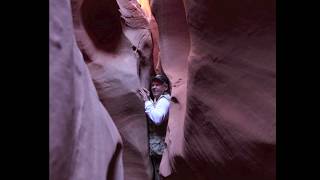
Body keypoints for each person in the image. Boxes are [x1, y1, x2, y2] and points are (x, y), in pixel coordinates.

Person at [138, 74, 171, 180]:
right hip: (157, 149)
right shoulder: (159, 100)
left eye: (158, 85)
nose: (154, 87)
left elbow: (157, 118)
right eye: (153, 85)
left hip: (160, 150)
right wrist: (149, 99)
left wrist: (146, 101)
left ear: (165, 87)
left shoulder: (164, 100)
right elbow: (156, 109)